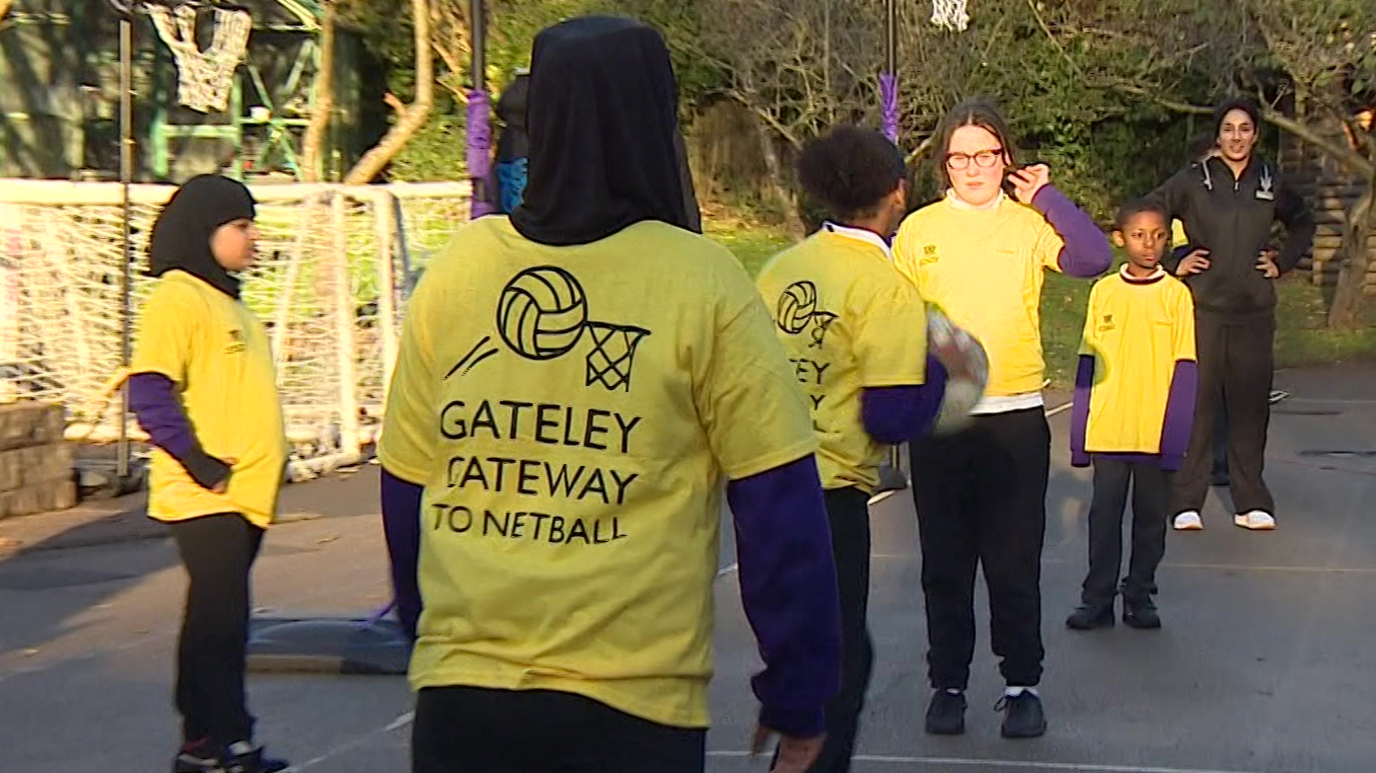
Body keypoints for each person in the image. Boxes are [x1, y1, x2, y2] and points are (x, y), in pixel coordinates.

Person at [376, 16, 841, 773]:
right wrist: (798, 690)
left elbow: (406, 488)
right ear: (654, 121)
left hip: (463, 699)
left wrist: (430, 634)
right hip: (632, 706)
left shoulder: (459, 270)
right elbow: (779, 505)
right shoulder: (703, 281)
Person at [892, 98, 1112, 739]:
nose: (973, 168)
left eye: (985, 154)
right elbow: (898, 318)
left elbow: (1094, 258)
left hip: (1014, 417)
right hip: (945, 422)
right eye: (960, 157)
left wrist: (1048, 197)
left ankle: (1021, 685)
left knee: (1013, 563)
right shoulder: (918, 230)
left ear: (1005, 159)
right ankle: (948, 685)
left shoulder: (1027, 224)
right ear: (944, 164)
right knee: (946, 564)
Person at [756, 126, 950, 772]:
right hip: (830, 490)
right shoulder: (886, 287)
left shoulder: (782, 270)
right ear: (899, 192)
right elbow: (892, 415)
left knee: (802, 645)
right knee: (839, 659)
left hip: (762, 481)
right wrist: (942, 371)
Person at [126, 175, 290, 773]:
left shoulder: (228, 299)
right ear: (207, 231)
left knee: (207, 623)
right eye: (241, 227)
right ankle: (232, 741)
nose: (253, 237)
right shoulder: (178, 298)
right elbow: (148, 391)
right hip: (206, 494)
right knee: (225, 624)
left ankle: (197, 745)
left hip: (245, 494)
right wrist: (201, 465)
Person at [1147, 98, 1316, 532]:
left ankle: (1251, 499)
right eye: (1228, 128)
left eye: (1244, 129)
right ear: (1217, 135)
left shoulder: (1269, 179)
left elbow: (1303, 222)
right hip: (1204, 309)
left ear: (1255, 135)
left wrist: (1283, 261)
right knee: (1198, 406)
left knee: (1248, 408)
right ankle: (1186, 500)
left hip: (1254, 312)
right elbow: (1147, 215)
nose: (1236, 137)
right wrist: (1173, 260)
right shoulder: (1194, 181)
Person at [1067, 200, 1197, 631]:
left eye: (1158, 236)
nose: (1149, 244)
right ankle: (1096, 598)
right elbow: (1088, 364)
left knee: (1149, 520)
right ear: (1120, 238)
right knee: (1104, 519)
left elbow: (1185, 368)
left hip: (1154, 431)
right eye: (1139, 235)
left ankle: (1139, 594)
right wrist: (1079, 437)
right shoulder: (1103, 291)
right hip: (1108, 431)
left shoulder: (1176, 295)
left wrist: (1174, 439)